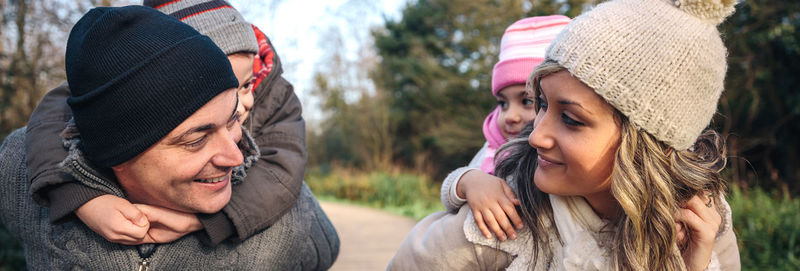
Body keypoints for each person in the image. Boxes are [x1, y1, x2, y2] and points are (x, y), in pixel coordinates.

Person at [390, 0, 741, 269]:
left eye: (571, 119)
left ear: (654, 145)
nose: (534, 135)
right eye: (541, 103)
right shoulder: (506, 222)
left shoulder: (705, 228)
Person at [0, 6, 336, 270]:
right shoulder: (22, 177)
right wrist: (75, 196)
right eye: (196, 139)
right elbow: (47, 121)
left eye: (233, 119)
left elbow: (324, 247)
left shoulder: (284, 218)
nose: (236, 156)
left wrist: (215, 223)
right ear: (115, 151)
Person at [439, 15, 570, 242]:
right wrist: (470, 181)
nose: (510, 116)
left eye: (528, 101)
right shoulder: (494, 145)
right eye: (503, 103)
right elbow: (448, 195)